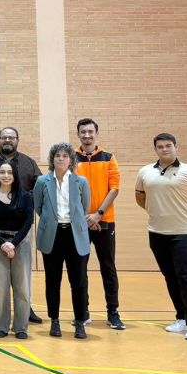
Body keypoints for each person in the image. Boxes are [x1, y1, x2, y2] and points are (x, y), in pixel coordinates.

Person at [135, 133, 187, 341]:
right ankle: (182, 318)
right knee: (171, 277)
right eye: (160, 147)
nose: (165, 149)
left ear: (176, 147)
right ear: (155, 150)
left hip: (185, 233)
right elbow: (140, 198)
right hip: (157, 233)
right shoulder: (144, 172)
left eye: (168, 146)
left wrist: (183, 214)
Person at [0, 127, 43, 324]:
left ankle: (25, 311)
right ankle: (0, 317)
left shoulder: (28, 162)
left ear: (17, 140)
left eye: (11, 137)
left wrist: (24, 201)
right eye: (4, 137)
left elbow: (39, 186)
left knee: (22, 275)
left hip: (23, 227)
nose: (8, 140)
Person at [34, 143, 91, 339]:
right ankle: (55, 320)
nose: (61, 158)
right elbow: (39, 207)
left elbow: (84, 208)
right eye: (57, 155)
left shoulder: (80, 181)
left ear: (71, 160)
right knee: (53, 281)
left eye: (65, 155)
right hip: (53, 235)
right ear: (52, 159)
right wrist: (53, 221)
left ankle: (80, 322)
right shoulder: (42, 181)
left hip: (75, 236)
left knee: (79, 282)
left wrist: (71, 222)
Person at [75, 118, 124, 329]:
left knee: (108, 268)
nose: (87, 135)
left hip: (105, 222)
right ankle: (83, 312)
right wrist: (85, 217)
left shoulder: (109, 158)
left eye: (90, 131)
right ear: (78, 134)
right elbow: (68, 190)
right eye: (83, 132)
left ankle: (113, 312)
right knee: (80, 269)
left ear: (96, 133)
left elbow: (114, 188)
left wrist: (98, 214)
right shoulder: (71, 158)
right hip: (80, 224)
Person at [0, 162, 33, 339]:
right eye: (2, 172)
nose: (6, 175)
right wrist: (3, 243)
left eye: (9, 172)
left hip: (21, 244)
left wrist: (14, 243)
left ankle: (21, 327)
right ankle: (1, 326)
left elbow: (28, 222)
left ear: (14, 175)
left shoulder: (25, 196)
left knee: (23, 288)